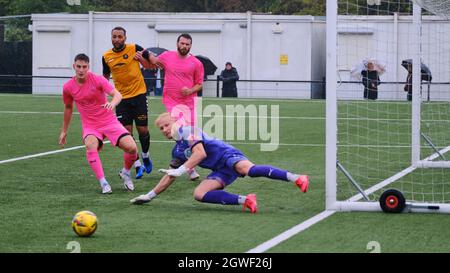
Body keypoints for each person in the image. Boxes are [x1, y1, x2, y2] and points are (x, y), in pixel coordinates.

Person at [130, 113, 309, 213]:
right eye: (161, 129)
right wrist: (149, 195)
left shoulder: (189, 131)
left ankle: (297, 178)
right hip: (219, 169)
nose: (164, 130)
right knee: (199, 194)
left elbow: (200, 153)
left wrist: (182, 170)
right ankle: (246, 200)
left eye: (166, 126)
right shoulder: (176, 150)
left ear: (175, 122)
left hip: (227, 156)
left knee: (248, 170)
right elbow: (170, 176)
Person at [59, 53, 138, 194]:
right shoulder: (68, 87)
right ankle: (104, 183)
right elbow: (68, 107)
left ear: (88, 67)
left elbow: (117, 95)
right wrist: (64, 130)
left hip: (109, 121)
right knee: (90, 145)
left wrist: (112, 103)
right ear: (74, 67)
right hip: (91, 126)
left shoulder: (98, 80)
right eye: (78, 66)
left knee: (132, 148)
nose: (81, 70)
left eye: (84, 67)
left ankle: (125, 172)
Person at [137, 33, 204, 181]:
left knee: (191, 135)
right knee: (179, 132)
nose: (184, 46)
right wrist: (142, 55)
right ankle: (190, 168)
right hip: (172, 101)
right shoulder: (167, 56)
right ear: (177, 43)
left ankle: (188, 165)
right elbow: (152, 63)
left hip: (189, 103)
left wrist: (190, 90)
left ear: (190, 46)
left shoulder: (196, 63)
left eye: (187, 44)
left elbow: (199, 83)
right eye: (182, 43)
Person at [102, 26, 153, 180]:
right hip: (122, 99)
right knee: (127, 134)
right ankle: (137, 165)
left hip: (139, 95)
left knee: (143, 130)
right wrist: (102, 96)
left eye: (119, 36)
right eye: (114, 36)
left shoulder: (134, 48)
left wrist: (142, 59)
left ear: (125, 37)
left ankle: (145, 155)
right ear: (111, 38)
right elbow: (105, 78)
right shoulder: (106, 56)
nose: (116, 39)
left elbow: (150, 66)